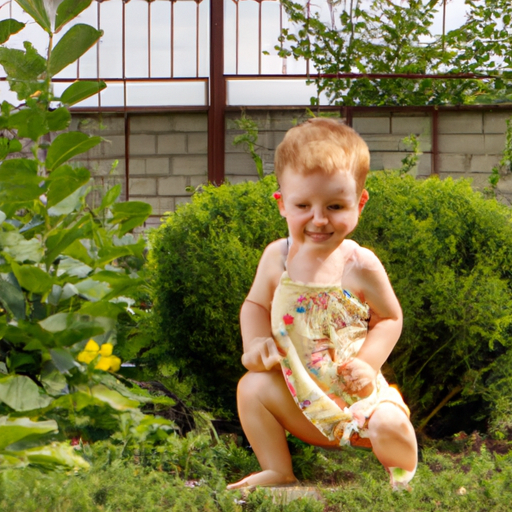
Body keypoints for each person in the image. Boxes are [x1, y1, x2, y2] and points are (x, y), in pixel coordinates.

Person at [226, 117, 418, 492]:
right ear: (282, 204)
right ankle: (278, 471)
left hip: (358, 400)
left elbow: (390, 318)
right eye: (303, 205)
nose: (318, 219)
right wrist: (254, 344)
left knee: (388, 424)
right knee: (251, 388)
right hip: (302, 401)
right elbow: (255, 305)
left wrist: (368, 362)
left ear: (359, 203)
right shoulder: (276, 258)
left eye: (334, 205)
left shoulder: (359, 265)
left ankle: (401, 473)